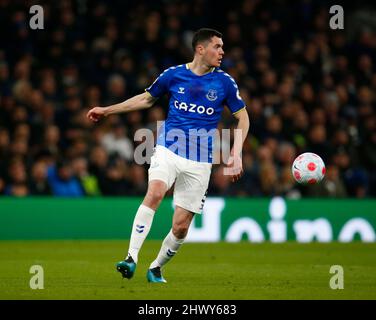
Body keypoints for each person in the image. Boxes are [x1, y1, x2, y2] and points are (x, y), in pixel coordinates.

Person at [87, 28, 250, 283]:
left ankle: (156, 268)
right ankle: (131, 257)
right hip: (168, 148)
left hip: (201, 160)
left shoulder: (224, 82)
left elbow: (243, 117)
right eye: (217, 46)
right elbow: (145, 99)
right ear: (200, 49)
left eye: (222, 47)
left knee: (181, 226)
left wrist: (236, 154)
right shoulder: (173, 75)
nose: (222, 51)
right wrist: (107, 110)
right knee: (155, 192)